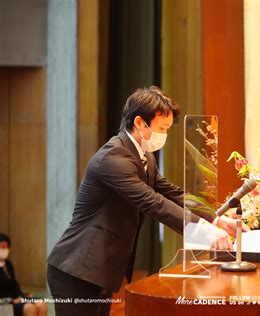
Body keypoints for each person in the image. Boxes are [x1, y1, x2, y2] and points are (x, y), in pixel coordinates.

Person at [47, 86, 240, 316]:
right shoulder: (113, 156)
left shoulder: (144, 155)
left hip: (100, 268)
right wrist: (204, 231)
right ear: (139, 122)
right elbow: (153, 202)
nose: (164, 136)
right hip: (77, 268)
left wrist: (216, 218)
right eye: (161, 128)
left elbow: (172, 193)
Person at [0, 233, 48, 316]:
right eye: (2, 247)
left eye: (6, 247)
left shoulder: (8, 264)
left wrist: (22, 296)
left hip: (16, 299)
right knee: (29, 308)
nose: (4, 250)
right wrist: (11, 300)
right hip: (5, 303)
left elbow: (14, 284)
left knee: (41, 304)